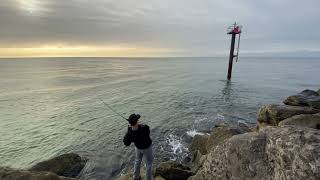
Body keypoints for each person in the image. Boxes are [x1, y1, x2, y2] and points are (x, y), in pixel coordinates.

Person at [123, 114, 153, 180]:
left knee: (137, 161)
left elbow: (126, 143)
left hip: (138, 148)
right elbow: (147, 132)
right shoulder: (144, 128)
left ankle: (135, 177)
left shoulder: (130, 132)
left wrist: (128, 133)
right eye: (138, 119)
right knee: (149, 164)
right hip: (147, 148)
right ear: (137, 121)